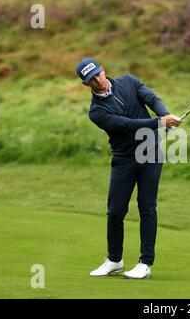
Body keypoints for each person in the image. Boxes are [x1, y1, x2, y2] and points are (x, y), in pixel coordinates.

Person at [76, 58, 182, 279]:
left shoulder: (129, 82)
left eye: (99, 74)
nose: (98, 80)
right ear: (87, 85)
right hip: (124, 158)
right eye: (92, 80)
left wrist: (164, 114)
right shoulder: (96, 112)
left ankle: (145, 263)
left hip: (149, 152)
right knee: (115, 211)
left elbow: (151, 98)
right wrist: (160, 123)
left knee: (147, 206)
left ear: (104, 69)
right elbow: (125, 124)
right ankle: (114, 260)